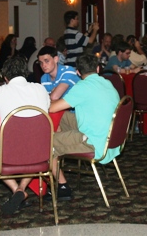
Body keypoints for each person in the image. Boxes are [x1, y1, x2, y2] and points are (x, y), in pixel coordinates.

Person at [0, 55, 50, 215]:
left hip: (9, 152)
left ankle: (16, 189)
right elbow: (46, 109)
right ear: (25, 73)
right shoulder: (40, 89)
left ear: (5, 77)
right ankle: (21, 189)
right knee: (32, 153)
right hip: (40, 150)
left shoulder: (0, 91)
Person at [48, 54, 120, 201]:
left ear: (78, 72)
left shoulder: (82, 87)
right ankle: (62, 144)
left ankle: (63, 187)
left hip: (94, 142)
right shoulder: (107, 83)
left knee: (44, 143)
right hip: (109, 136)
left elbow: (52, 108)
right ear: (98, 69)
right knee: (62, 117)